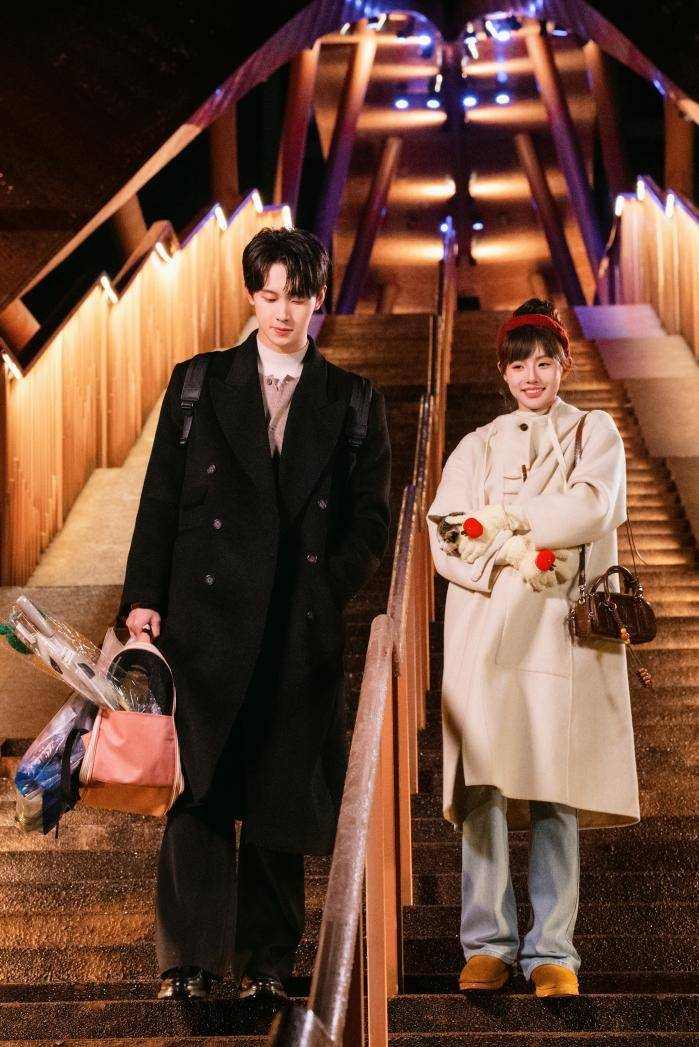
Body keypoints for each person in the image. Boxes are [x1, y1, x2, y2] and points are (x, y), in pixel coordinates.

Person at [119, 227, 391, 1004]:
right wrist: (142, 599)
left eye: (296, 296)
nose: (281, 311)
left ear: (317, 298)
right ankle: (188, 961)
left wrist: (324, 590)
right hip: (203, 620)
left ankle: (267, 963)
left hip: (295, 624)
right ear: (250, 294)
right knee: (199, 789)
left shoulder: (352, 398)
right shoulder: (199, 382)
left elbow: (370, 519)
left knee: (280, 794)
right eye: (268, 294)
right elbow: (161, 498)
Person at [426, 299, 639, 999]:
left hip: (557, 629)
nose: (532, 376)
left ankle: (552, 948)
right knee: (482, 784)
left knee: (556, 783)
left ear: (564, 364)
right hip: (484, 630)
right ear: (502, 372)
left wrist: (506, 520)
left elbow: (593, 505)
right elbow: (446, 532)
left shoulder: (592, 430)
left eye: (544, 361)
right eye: (518, 364)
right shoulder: (477, 443)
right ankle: (485, 943)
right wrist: (513, 554)